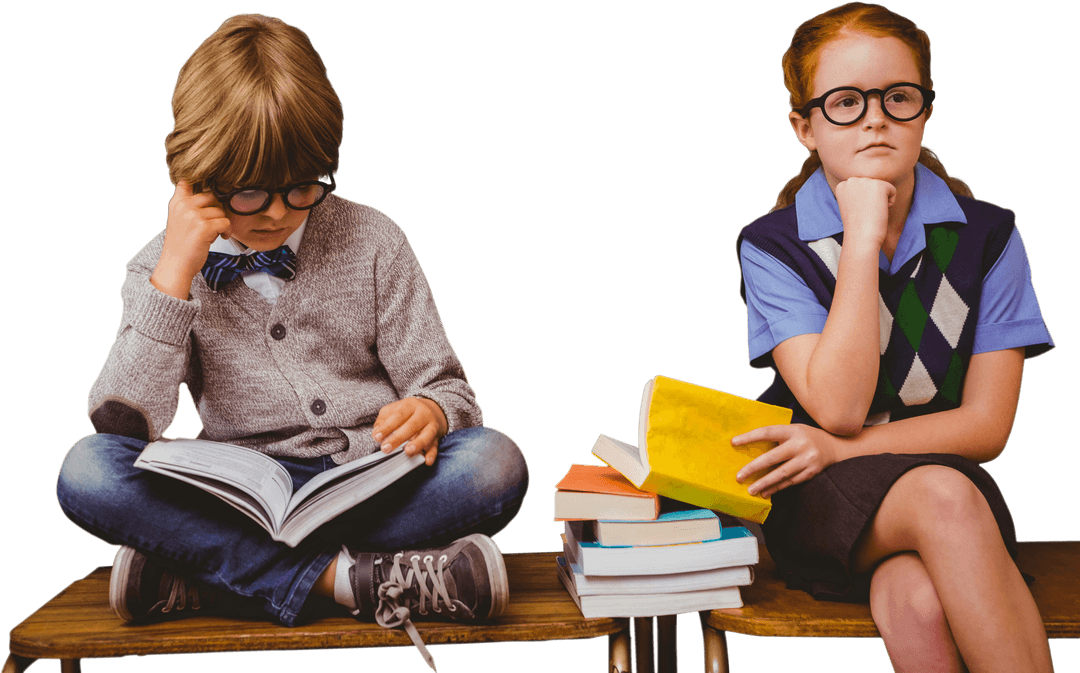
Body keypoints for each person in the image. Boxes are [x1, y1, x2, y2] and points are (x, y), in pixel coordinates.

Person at [55, 13, 528, 670]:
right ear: (198, 175)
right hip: (245, 502)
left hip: (367, 486)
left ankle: (202, 575)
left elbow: (448, 386)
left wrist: (431, 411)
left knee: (495, 462)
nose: (277, 211)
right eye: (250, 191)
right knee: (86, 469)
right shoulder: (163, 267)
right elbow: (124, 420)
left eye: (303, 186)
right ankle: (353, 580)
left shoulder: (373, 240)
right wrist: (174, 277)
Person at [729, 3, 1054, 671]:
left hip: (934, 481)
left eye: (898, 97)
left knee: (915, 594)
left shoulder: (988, 236)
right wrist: (860, 240)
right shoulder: (771, 246)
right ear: (805, 127)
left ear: (924, 111)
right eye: (846, 102)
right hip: (815, 496)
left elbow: (987, 425)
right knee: (943, 499)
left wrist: (838, 449)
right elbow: (839, 406)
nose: (875, 118)